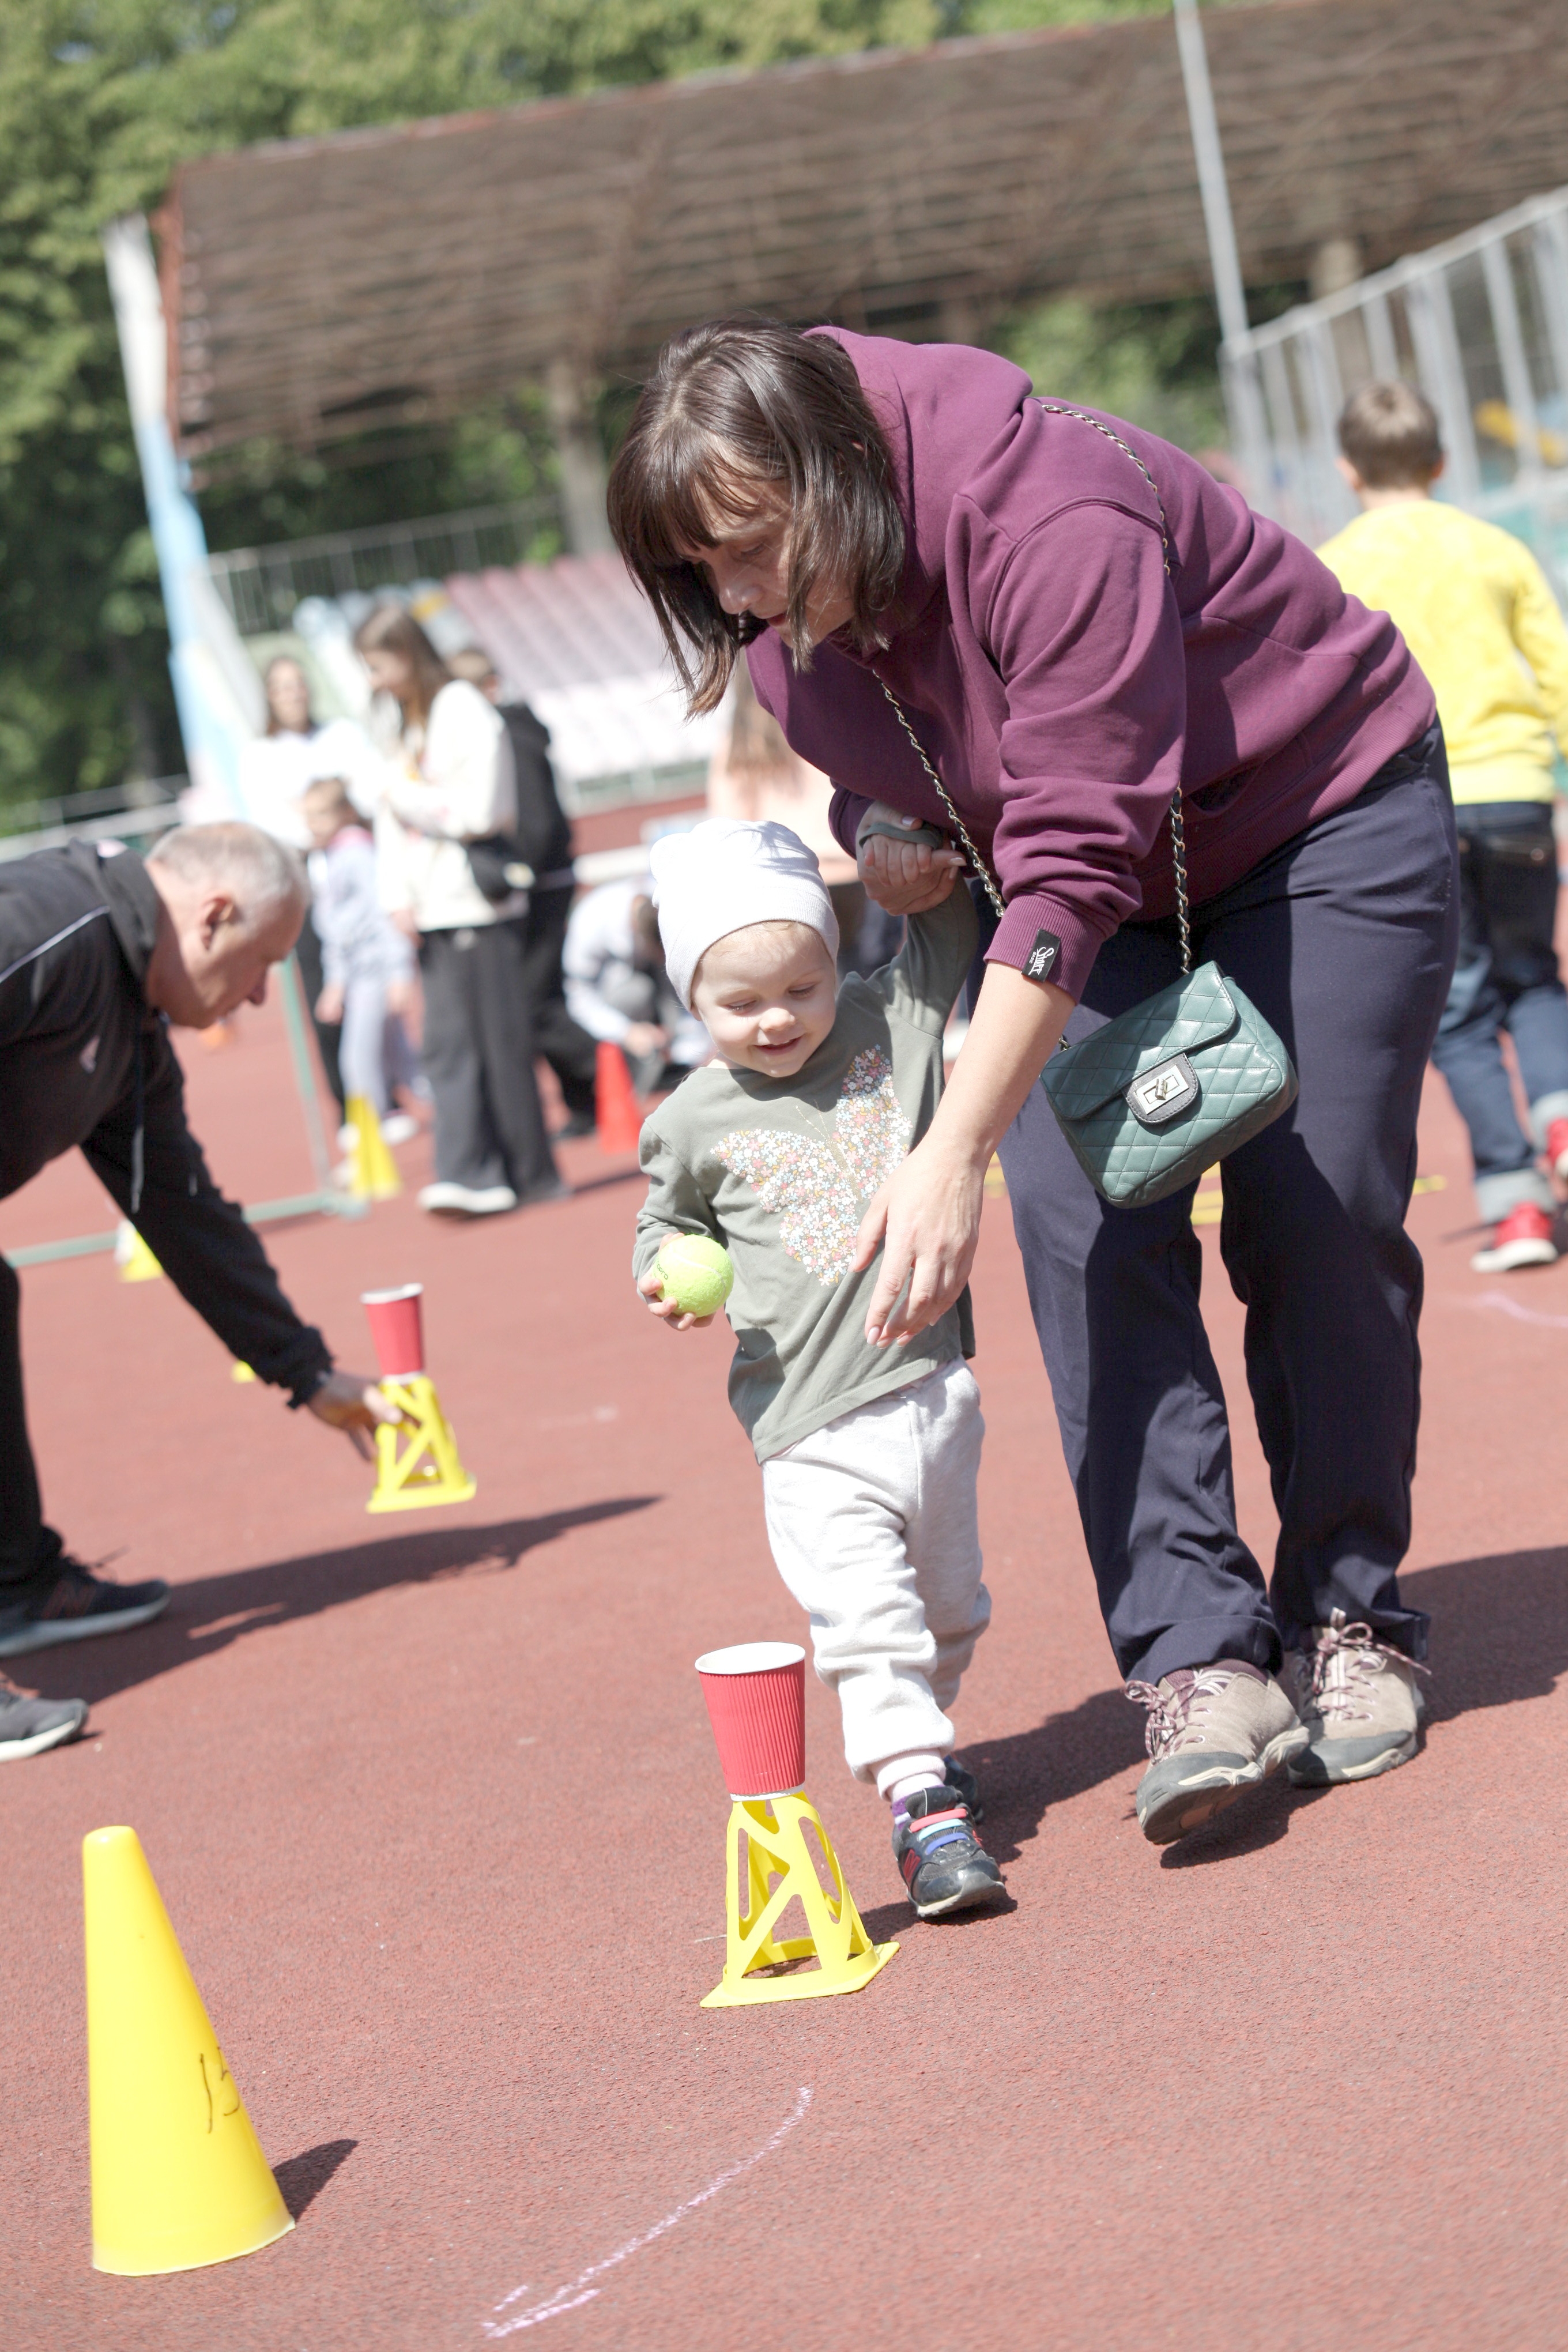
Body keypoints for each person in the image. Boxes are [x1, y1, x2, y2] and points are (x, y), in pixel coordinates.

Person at [608, 318, 1459, 1846]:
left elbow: (1072, 851)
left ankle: (1352, 1616)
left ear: (840, 474)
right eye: (701, 577)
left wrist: (944, 1152)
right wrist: (880, 827)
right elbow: (910, 774)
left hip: (1315, 816)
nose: (732, 604)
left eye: (745, 553)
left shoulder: (1050, 505)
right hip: (1097, 891)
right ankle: (1198, 1658)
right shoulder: (783, 622)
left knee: (1309, 1201)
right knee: (1080, 1214)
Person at [634, 819, 1004, 1917]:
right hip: (805, 1428)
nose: (779, 1018)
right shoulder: (689, 1118)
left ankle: (923, 1754)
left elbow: (947, 931)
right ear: (692, 1006)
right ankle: (921, 1800)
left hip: (935, 1391)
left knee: (950, 1612)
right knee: (867, 1623)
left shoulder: (887, 1022)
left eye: (802, 984)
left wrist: (906, 869)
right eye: (740, 1005)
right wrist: (663, 1273)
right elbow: (666, 1223)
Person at [0, 823, 398, 1759]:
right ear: (215, 918)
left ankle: (19, 1584)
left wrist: (305, 1371)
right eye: (263, 963)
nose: (259, 995)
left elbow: (181, 1212)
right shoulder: (48, 927)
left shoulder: (133, 1018)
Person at [1317, 381, 1568, 1272]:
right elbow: (1557, 667)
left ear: (1347, 468)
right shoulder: (1495, 548)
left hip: (1411, 800)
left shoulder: (1335, 561)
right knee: (1534, 977)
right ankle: (1562, 1113)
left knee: (1457, 1010)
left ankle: (1517, 1206)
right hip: (1518, 788)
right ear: (1442, 460)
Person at [354, 608, 567, 1217]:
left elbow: (479, 812)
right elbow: (395, 819)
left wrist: (403, 796)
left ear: (406, 653)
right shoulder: (406, 720)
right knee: (455, 1041)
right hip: (436, 905)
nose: (372, 681)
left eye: (377, 665)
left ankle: (509, 1171)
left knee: (492, 1042)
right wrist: (396, 895)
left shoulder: (462, 710)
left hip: (476, 901)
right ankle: (485, 1168)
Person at [446, 649, 598, 1138]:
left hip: (538, 883)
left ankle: (616, 1059)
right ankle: (585, 1101)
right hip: (540, 879)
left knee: (535, 1001)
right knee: (542, 996)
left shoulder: (511, 735)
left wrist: (517, 871)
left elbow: (534, 820)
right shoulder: (513, 732)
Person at [236, 654, 383, 1120]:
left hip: (359, 885)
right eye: (281, 686)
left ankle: (388, 1092)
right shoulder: (259, 755)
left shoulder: (342, 735)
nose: (293, 693)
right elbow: (272, 823)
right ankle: (351, 1107)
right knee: (327, 999)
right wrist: (325, 814)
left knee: (379, 990)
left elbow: (367, 793)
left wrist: (321, 810)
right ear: (269, 695)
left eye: (298, 683)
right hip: (307, 894)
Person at [299, 778, 421, 1148]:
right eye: (308, 817)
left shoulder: (358, 856)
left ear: (345, 813)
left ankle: (369, 1144)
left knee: (359, 1061)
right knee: (404, 1063)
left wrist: (398, 973)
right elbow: (337, 931)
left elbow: (385, 914)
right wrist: (336, 984)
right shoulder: (332, 857)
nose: (313, 824)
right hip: (358, 976)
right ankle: (465, 1111)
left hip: (375, 974)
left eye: (321, 815)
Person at [562, 873, 711, 1095]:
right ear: (634, 930)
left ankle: (681, 1059)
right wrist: (627, 1032)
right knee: (635, 992)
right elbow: (579, 997)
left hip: (653, 980)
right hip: (613, 993)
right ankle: (634, 1075)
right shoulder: (590, 924)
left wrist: (692, 1050)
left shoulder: (672, 897)